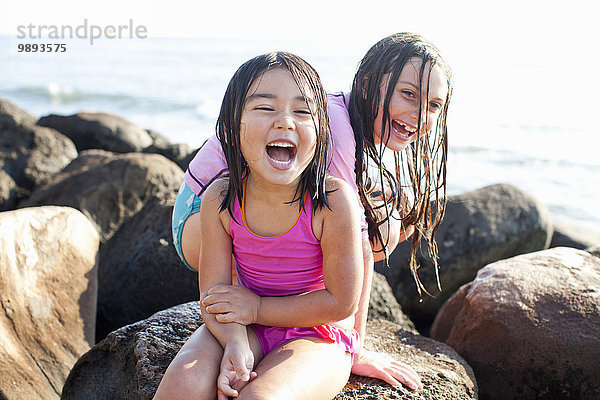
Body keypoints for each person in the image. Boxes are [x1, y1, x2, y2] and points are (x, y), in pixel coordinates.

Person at [171, 32, 451, 391]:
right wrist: (356, 346)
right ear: (366, 85)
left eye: (433, 105)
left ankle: (278, 298)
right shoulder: (330, 124)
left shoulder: (349, 126)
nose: (419, 114)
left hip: (257, 209)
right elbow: (362, 246)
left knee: (389, 220)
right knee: (372, 228)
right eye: (408, 94)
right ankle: (270, 297)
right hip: (202, 212)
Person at [155, 52, 364, 399]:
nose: (285, 122)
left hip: (317, 334)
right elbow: (214, 296)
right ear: (229, 130)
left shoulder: (332, 200)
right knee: (183, 384)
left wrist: (256, 307)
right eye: (265, 108)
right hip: (245, 326)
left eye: (302, 111)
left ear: (321, 131)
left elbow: (341, 302)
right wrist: (235, 342)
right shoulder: (220, 199)